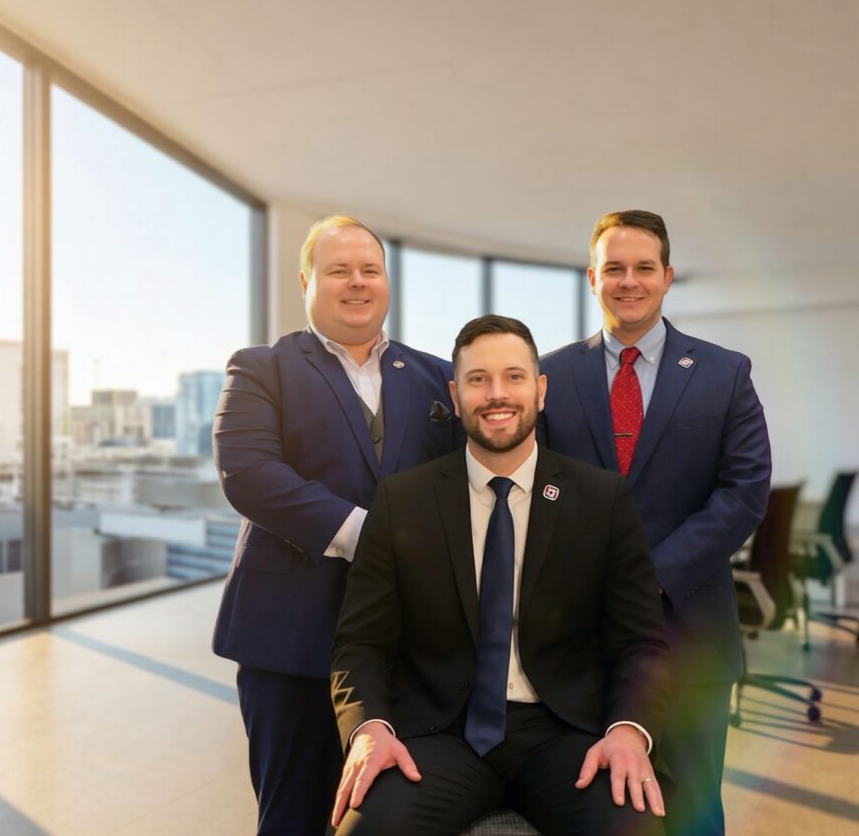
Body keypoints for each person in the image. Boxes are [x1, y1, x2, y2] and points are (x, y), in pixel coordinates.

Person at [330, 315, 671, 836]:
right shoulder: (403, 501)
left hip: (566, 732)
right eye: (477, 379)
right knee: (366, 828)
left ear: (540, 390)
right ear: (455, 392)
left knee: (634, 827)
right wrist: (369, 729)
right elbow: (360, 641)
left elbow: (640, 642)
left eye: (513, 377)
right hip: (439, 731)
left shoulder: (602, 500)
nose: (496, 394)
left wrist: (628, 729)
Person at [211, 215, 458, 836]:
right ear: (306, 280)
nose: (357, 283)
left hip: (406, 643)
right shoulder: (260, 367)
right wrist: (369, 534)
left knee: (385, 815)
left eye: (369, 270)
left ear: (387, 282)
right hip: (289, 637)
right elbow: (247, 471)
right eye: (338, 270)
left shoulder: (436, 376)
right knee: (293, 811)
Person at [539, 210, 771, 836]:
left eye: (644, 267)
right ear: (592, 278)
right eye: (613, 268)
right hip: (576, 644)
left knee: (693, 810)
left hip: (690, 634)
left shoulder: (725, 373)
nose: (629, 280)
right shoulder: (549, 377)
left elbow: (744, 491)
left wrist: (651, 576)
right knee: (601, 813)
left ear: (667, 277)